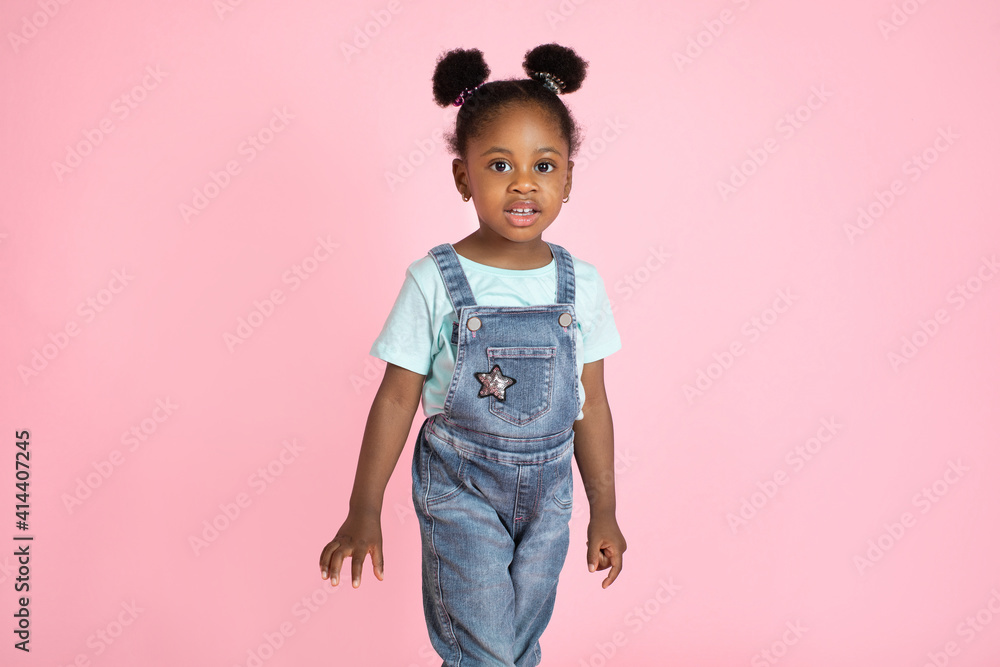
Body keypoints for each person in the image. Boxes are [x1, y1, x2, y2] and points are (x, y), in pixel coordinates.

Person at [318, 43, 627, 667]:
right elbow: (397, 396)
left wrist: (606, 512)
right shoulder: (435, 279)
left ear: (568, 179)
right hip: (461, 485)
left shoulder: (581, 284)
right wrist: (363, 507)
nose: (522, 182)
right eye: (497, 164)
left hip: (551, 492)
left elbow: (591, 401)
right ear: (463, 177)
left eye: (544, 166)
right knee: (484, 650)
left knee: (517, 646)